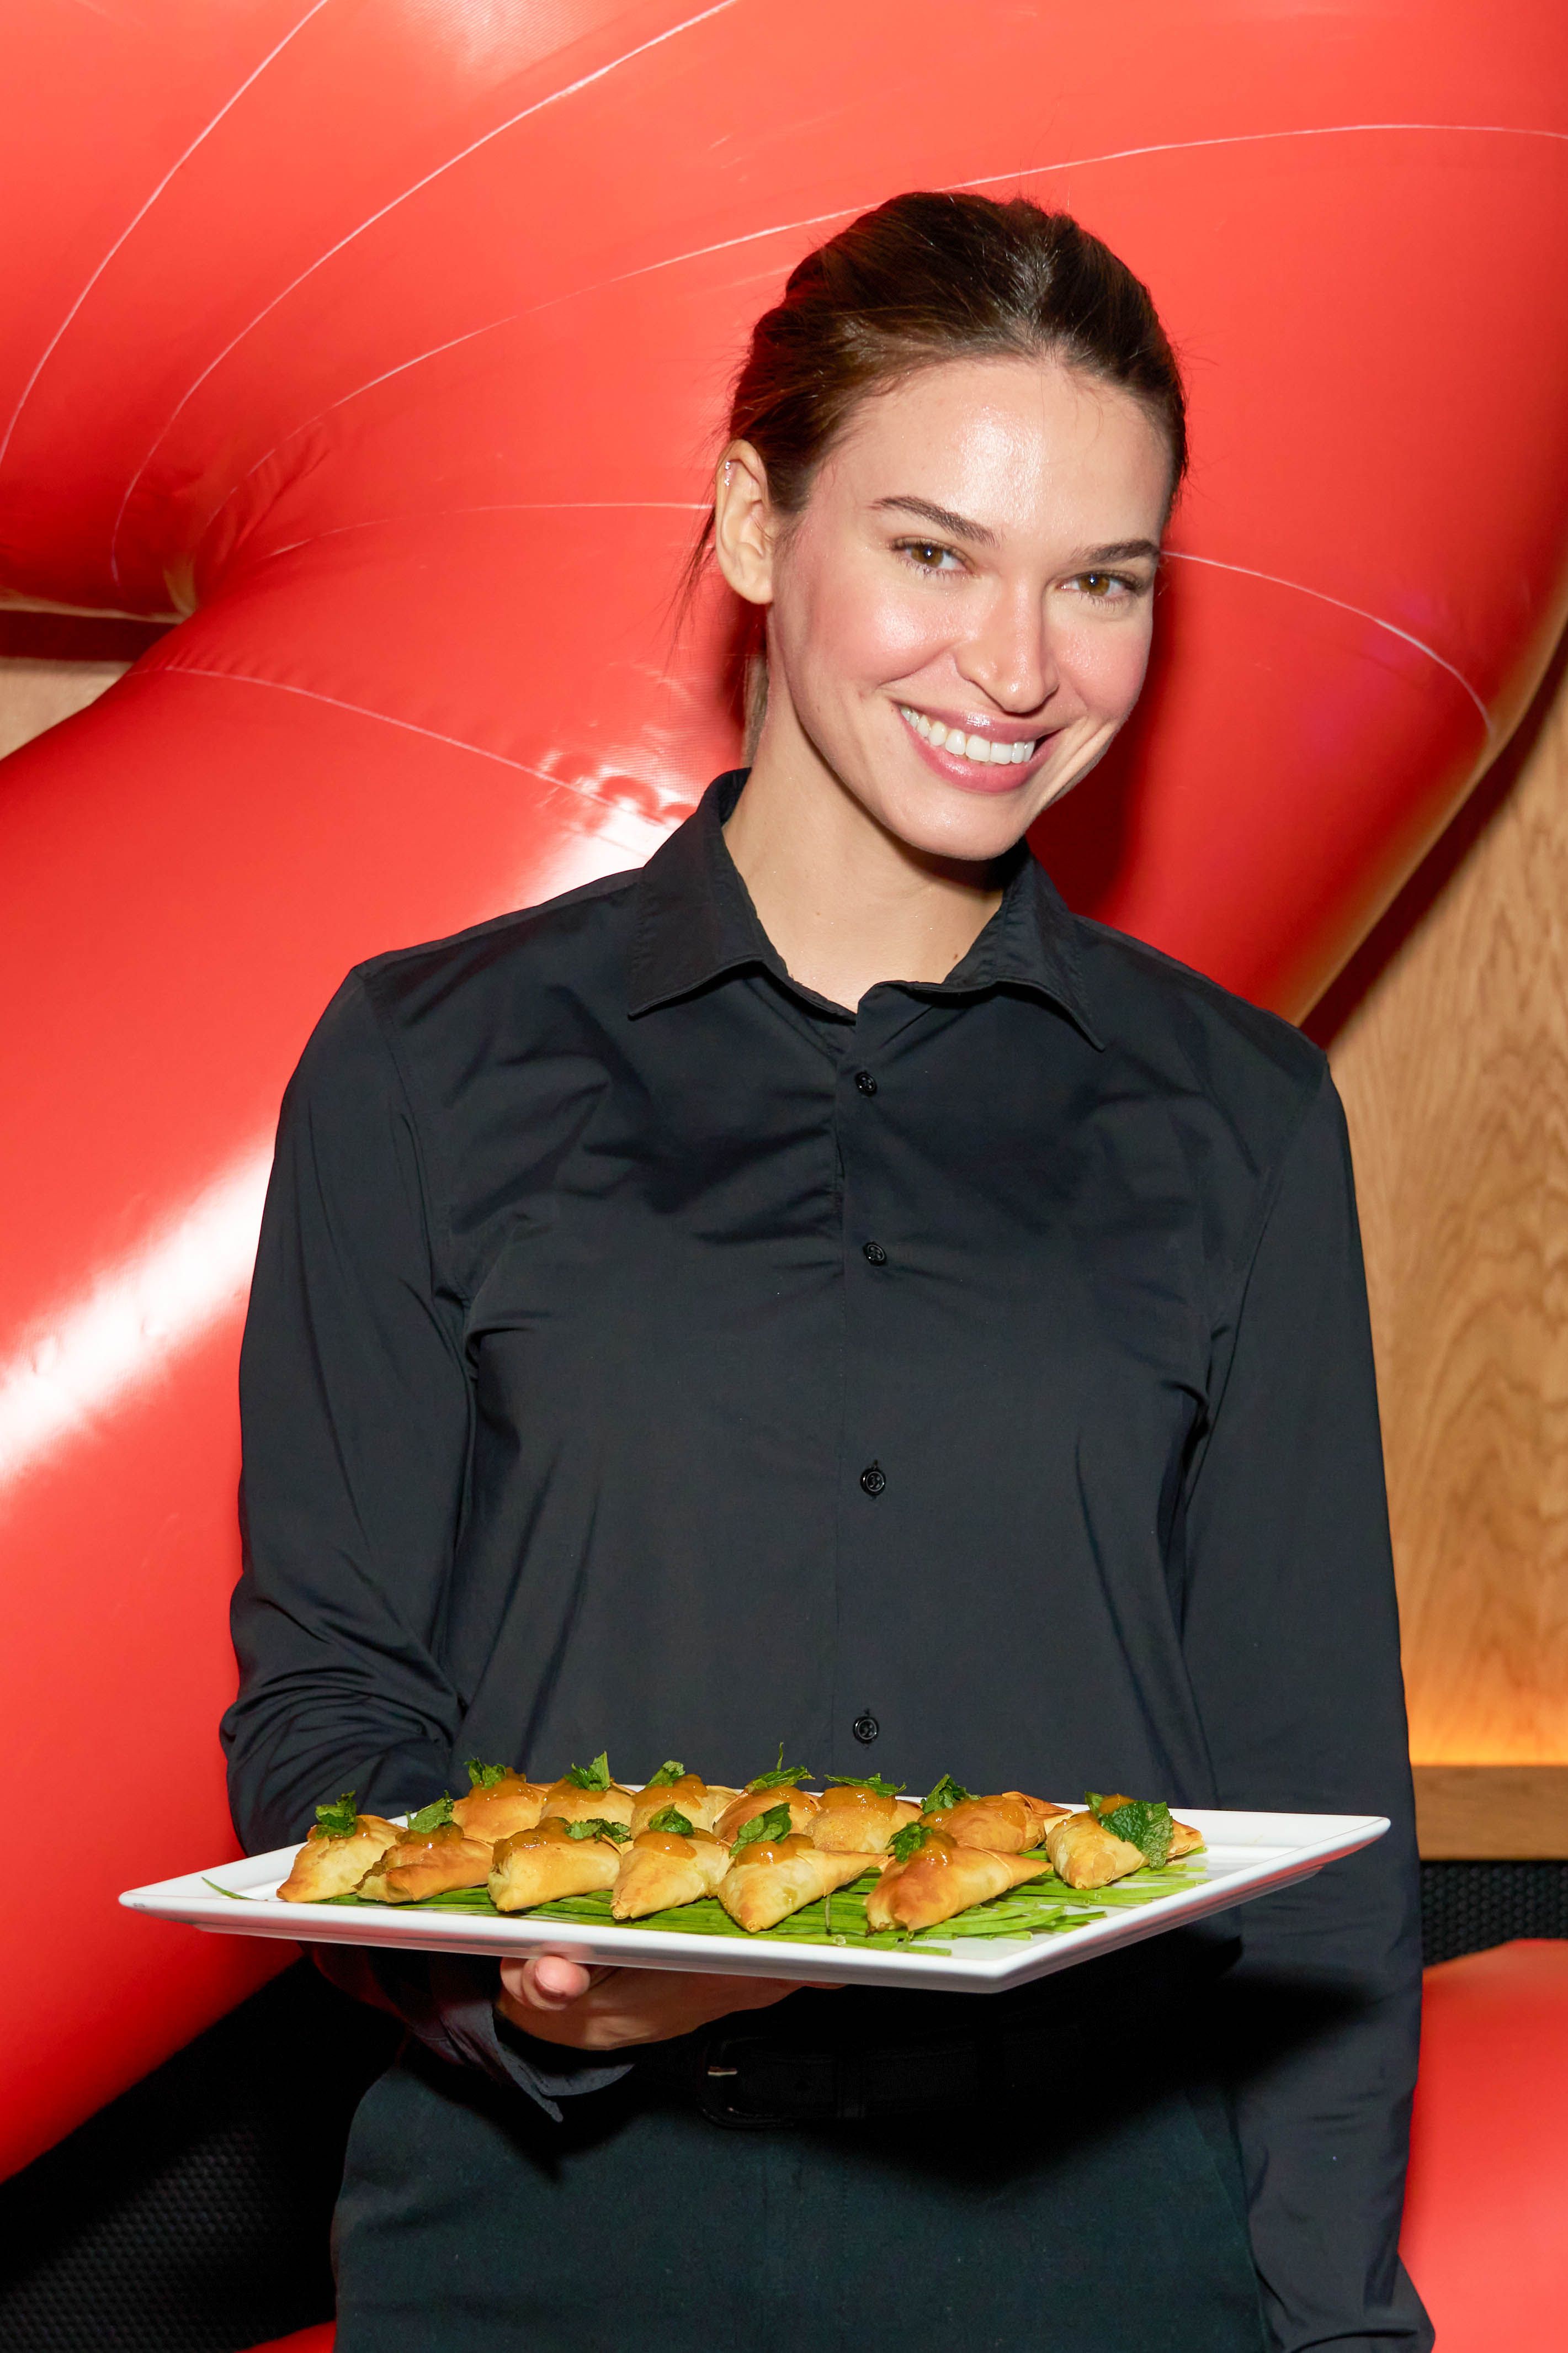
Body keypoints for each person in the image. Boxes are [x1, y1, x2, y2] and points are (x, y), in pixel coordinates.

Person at [224, 191, 1431, 2352]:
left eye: (1102, 583)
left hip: (1091, 2269)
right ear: (759, 525)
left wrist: (1338, 2333)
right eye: (935, 550)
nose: (1016, 664)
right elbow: (327, 1701)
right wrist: (528, 1975)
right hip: (540, 2257)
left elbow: (1315, 1813)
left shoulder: (1239, 1119)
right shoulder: (425, 1063)